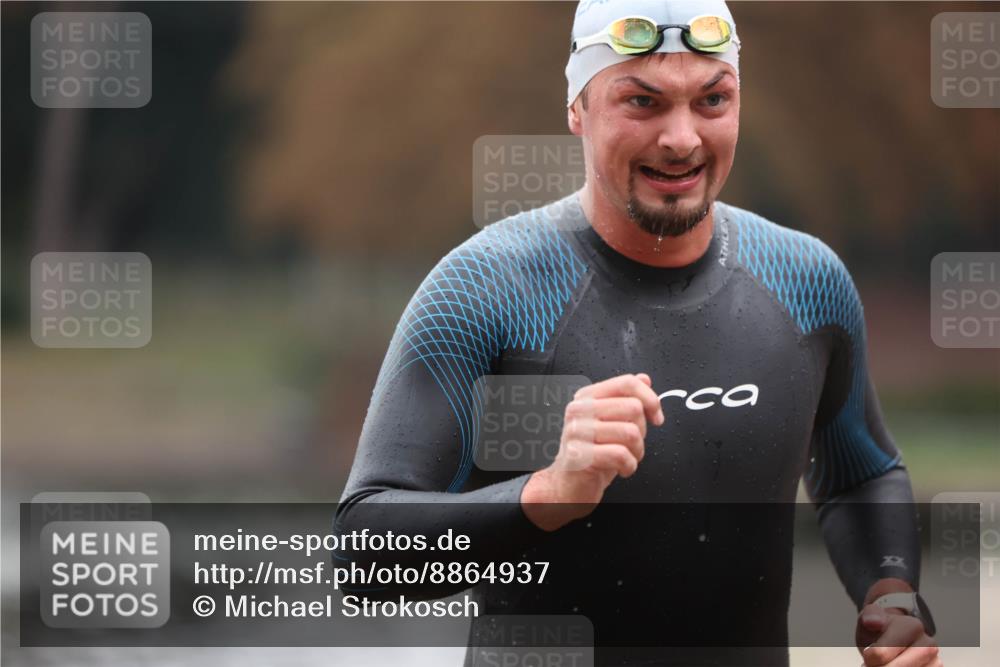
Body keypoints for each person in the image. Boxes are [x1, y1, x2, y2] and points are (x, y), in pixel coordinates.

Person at [335, 1, 941, 665]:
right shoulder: (484, 290)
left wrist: (891, 594)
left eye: (712, 99)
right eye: (643, 101)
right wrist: (544, 495)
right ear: (577, 108)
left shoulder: (806, 282)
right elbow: (363, 552)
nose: (681, 137)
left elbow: (862, 471)